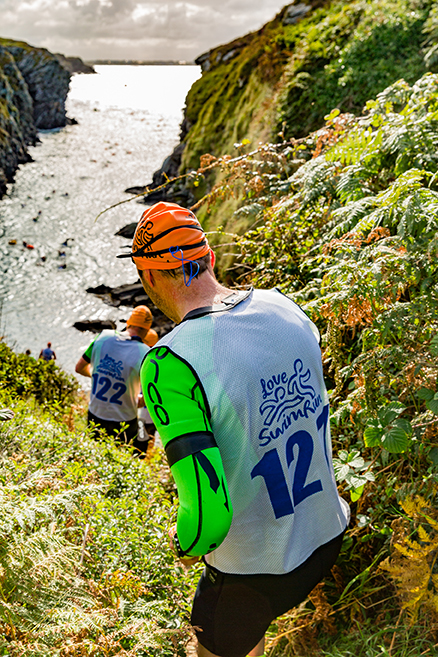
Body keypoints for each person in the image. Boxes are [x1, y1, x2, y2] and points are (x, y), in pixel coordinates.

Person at [118, 201, 350, 657]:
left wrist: (184, 541)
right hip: (325, 533)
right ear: (209, 257)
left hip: (254, 573)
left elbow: (205, 519)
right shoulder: (282, 306)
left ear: (147, 278)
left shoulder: (171, 362)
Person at [75, 306, 152, 448]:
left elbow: (79, 367)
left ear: (129, 322)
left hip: (96, 413)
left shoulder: (103, 337)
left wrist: (99, 375)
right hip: (124, 421)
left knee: (93, 454)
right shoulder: (146, 353)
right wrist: (140, 400)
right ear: (147, 330)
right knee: (118, 459)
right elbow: (152, 393)